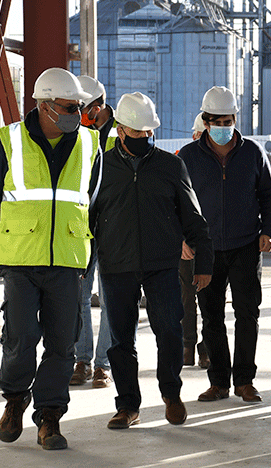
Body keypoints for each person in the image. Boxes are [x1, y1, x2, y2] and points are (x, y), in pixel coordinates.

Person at [0, 67, 96, 450]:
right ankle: (14, 400)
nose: (74, 115)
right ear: (44, 106)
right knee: (21, 336)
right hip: (22, 260)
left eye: (78, 108)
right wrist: (21, 231)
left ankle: (49, 417)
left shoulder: (88, 144)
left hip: (67, 258)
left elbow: (90, 199)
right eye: (67, 107)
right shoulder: (9, 140)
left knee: (63, 342)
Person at [89, 92, 214, 429]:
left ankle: (171, 394)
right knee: (120, 340)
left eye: (149, 132)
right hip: (116, 265)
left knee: (170, 332)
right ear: (120, 130)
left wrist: (203, 263)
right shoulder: (100, 166)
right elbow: (87, 215)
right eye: (138, 133)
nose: (145, 138)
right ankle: (128, 405)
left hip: (161, 264)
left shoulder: (170, 165)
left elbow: (193, 215)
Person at [178, 86, 271, 403]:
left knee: (248, 314)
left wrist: (269, 229)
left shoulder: (252, 153)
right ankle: (219, 382)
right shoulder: (189, 157)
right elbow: (176, 201)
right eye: (217, 121)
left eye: (229, 120)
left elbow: (268, 195)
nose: (224, 127)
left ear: (236, 118)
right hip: (205, 250)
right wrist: (181, 237)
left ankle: (245, 381)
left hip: (246, 246)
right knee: (211, 318)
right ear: (205, 122)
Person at [69, 75, 115, 389]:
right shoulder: (74, 135)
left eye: (83, 108)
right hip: (82, 229)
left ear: (99, 106)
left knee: (112, 298)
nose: (79, 114)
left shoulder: (121, 132)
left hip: (113, 229)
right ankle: (82, 361)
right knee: (79, 298)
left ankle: (104, 365)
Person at [180, 114, 210, 370]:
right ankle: (187, 345)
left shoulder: (225, 161)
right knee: (186, 297)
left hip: (212, 243)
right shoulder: (182, 160)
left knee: (211, 299)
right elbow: (172, 203)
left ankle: (206, 348)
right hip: (188, 242)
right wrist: (180, 238)